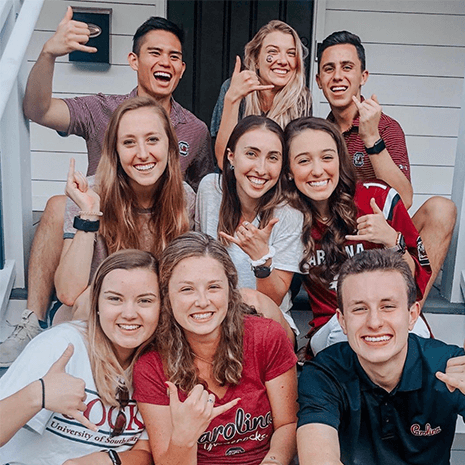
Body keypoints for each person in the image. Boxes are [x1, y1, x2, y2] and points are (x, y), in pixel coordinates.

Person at [0, 11, 213, 366]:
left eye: (174, 56)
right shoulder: (103, 109)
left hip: (157, 236)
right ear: (134, 60)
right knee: (58, 205)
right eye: (155, 53)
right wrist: (49, 53)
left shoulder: (194, 128)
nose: (165, 62)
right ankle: (33, 320)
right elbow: (37, 109)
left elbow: (200, 186)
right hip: (100, 228)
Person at [315, 30, 456, 307]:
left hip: (384, 239)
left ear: (363, 77)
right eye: (328, 69)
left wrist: (371, 138)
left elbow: (404, 199)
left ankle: (411, 311)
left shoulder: (387, 127)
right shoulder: (317, 134)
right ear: (319, 81)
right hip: (335, 245)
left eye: (347, 67)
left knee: (442, 208)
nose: (338, 76)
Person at [133, 232, 298, 465]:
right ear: (167, 295)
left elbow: (287, 424)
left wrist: (273, 461)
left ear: (230, 291)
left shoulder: (266, 336)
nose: (202, 301)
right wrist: (184, 436)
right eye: (186, 289)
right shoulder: (152, 366)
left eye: (213, 287)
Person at [297, 249, 465, 465]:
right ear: (343, 321)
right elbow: (318, 458)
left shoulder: (448, 367)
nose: (374, 322)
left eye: (388, 307)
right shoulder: (323, 374)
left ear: (412, 315)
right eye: (359, 308)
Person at [284, 117, 431, 355]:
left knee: (415, 345)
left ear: (340, 160)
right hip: (334, 323)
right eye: (304, 161)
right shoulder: (288, 217)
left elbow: (414, 285)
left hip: (389, 316)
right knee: (353, 343)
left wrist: (392, 241)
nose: (318, 170)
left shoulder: (377, 199)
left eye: (327, 157)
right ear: (289, 171)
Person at [0, 249, 161, 465]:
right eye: (115, 299)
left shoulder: (157, 366)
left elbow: (147, 452)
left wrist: (109, 460)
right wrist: (38, 394)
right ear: (96, 305)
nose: (129, 313)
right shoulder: (63, 345)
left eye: (144, 301)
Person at [54, 96, 191, 321]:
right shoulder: (89, 194)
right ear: (115, 151)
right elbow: (68, 293)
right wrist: (89, 213)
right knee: (79, 306)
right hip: (102, 314)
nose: (143, 153)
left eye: (153, 139)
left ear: (170, 145)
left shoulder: (186, 199)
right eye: (128, 142)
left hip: (157, 311)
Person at [196, 116, 303, 341]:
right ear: (231, 156)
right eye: (251, 154)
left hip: (269, 324)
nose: (261, 169)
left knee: (249, 298)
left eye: (272, 158)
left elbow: (273, 300)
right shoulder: (210, 191)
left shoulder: (290, 213)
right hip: (212, 316)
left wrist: (261, 258)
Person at [211, 20, 312, 169]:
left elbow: (299, 162)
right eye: (273, 52)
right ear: (256, 60)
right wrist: (232, 98)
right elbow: (223, 161)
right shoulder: (233, 88)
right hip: (237, 179)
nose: (283, 61)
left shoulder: (301, 98)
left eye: (291, 53)